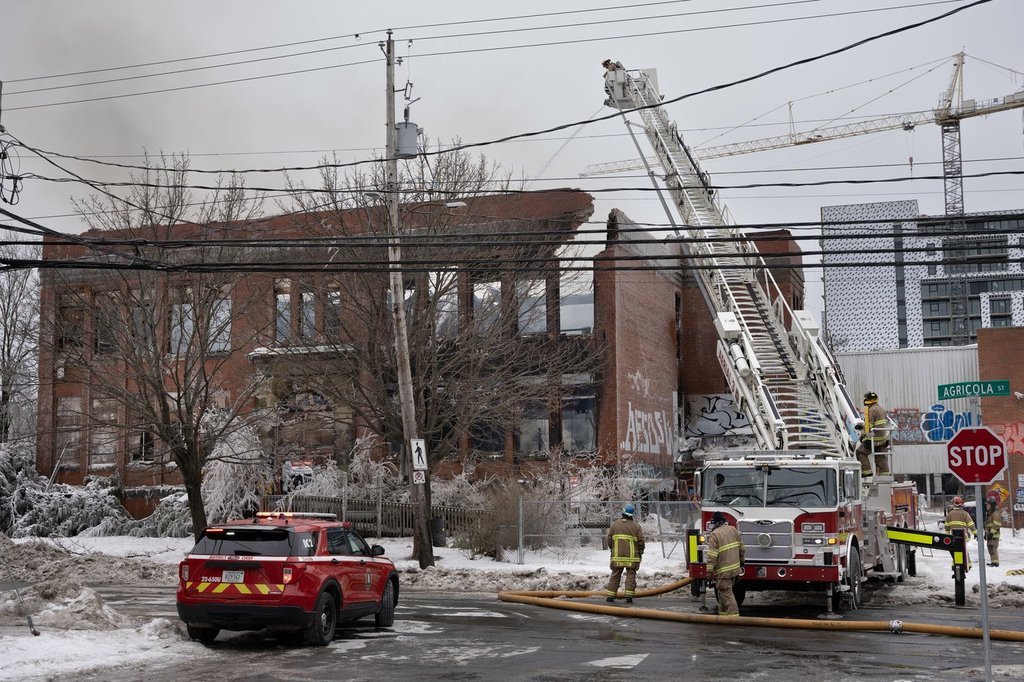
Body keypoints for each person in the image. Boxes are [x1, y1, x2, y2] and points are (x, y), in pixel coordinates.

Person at [705, 511, 745, 617]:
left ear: (716, 523)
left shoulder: (715, 534)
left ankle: (733, 616)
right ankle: (723, 615)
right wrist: (741, 562)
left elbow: (712, 556)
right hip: (735, 569)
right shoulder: (733, 529)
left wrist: (709, 572)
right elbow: (742, 548)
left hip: (724, 570)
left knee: (726, 593)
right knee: (722, 592)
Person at [605, 504, 645, 604]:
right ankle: (629, 596)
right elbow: (641, 541)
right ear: (632, 515)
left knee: (615, 574)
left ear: (623, 512)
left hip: (617, 556)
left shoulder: (615, 525)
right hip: (632, 558)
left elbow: (609, 539)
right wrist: (641, 551)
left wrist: (612, 549)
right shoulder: (636, 526)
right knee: (631, 575)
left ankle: (610, 595)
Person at [855, 391, 891, 479]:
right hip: (882, 438)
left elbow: (869, 426)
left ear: (867, 400)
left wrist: (863, 436)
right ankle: (885, 474)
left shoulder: (871, 410)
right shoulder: (880, 409)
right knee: (880, 456)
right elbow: (879, 423)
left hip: (874, 439)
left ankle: (866, 471)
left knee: (860, 452)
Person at [944, 496, 977, 574]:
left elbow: (947, 527)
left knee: (955, 551)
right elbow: (971, 525)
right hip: (964, 536)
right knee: (964, 550)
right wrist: (975, 533)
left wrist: (947, 536)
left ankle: (954, 564)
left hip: (953, 537)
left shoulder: (950, 514)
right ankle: (968, 564)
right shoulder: (964, 513)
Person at [984, 497, 1001, 567]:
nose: (987, 506)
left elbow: (996, 525)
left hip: (994, 535)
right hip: (990, 534)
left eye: (988, 504)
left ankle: (995, 563)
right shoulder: (990, 514)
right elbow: (987, 525)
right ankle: (993, 561)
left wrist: (991, 533)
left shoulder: (996, 514)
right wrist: (986, 533)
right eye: (987, 504)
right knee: (990, 548)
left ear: (992, 505)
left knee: (993, 548)